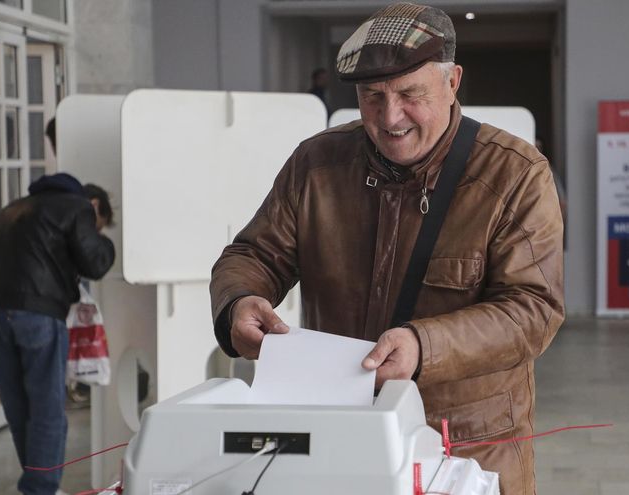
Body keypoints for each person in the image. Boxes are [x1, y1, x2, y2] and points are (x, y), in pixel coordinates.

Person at [210, 3, 564, 493]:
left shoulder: (516, 176)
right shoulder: (317, 163)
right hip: (343, 437)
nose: (389, 116)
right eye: (372, 97)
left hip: (466, 448)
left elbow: (534, 310)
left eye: (410, 94)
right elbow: (253, 255)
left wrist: (424, 347)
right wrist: (237, 303)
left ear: (453, 81)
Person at [0, 172, 115, 495]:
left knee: (18, 406)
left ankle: (37, 485)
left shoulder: (14, 209)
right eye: (99, 225)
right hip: (37, 313)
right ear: (94, 206)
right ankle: (41, 488)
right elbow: (95, 262)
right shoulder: (78, 207)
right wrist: (104, 242)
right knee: (47, 408)